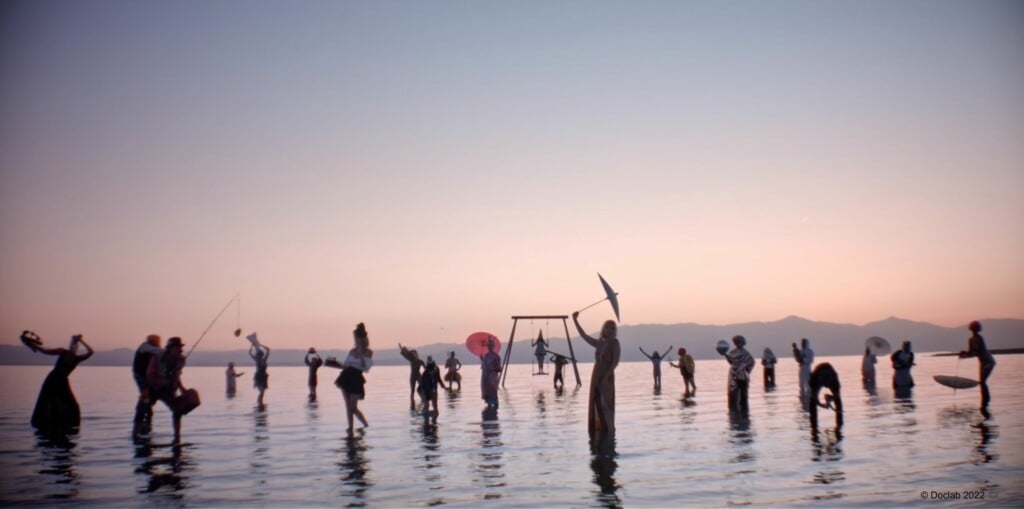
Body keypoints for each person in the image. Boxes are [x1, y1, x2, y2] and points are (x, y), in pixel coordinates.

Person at [21, 331, 94, 435]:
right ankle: (46, 427)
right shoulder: (62, 352)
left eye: (75, 344)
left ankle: (67, 427)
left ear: (77, 346)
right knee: (48, 402)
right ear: (70, 344)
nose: (73, 345)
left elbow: (91, 352)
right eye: (72, 343)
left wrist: (81, 340)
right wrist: (34, 345)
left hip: (63, 381)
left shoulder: (77, 358)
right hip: (53, 379)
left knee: (73, 406)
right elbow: (45, 351)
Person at [572, 311, 621, 439]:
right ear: (603, 329)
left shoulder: (615, 343)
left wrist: (606, 376)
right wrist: (575, 320)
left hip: (607, 377)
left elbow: (615, 362)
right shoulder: (599, 343)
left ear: (615, 331)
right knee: (596, 402)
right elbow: (583, 335)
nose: (609, 330)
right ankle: (597, 430)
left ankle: (608, 431)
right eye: (607, 327)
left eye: (612, 328)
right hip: (596, 375)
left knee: (606, 403)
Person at [148, 336, 194, 443]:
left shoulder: (179, 360)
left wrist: (182, 389)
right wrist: (163, 382)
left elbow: (176, 376)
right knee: (142, 409)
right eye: (178, 347)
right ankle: (139, 434)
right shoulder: (157, 358)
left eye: (180, 348)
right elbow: (150, 376)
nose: (180, 350)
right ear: (170, 348)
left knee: (177, 411)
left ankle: (177, 437)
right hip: (152, 389)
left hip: (169, 390)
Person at [333, 322, 373, 437]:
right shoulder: (352, 351)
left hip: (356, 378)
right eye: (355, 338)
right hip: (346, 376)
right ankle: (350, 428)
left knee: (353, 407)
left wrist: (360, 354)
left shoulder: (368, 352)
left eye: (357, 338)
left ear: (363, 340)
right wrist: (334, 364)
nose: (356, 341)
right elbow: (345, 365)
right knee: (347, 405)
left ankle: (365, 424)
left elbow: (366, 367)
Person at [132, 334, 163, 436]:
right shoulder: (145, 347)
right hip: (140, 376)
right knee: (145, 395)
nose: (159, 343)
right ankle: (144, 417)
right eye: (158, 341)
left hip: (146, 377)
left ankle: (146, 421)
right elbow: (159, 352)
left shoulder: (151, 349)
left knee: (147, 398)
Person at [960, 320, 996, 409]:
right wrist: (963, 353)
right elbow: (971, 352)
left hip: (989, 361)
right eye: (974, 329)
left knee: (982, 382)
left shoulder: (980, 338)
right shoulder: (971, 340)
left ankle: (985, 401)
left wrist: (966, 356)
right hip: (982, 362)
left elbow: (977, 352)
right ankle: (985, 401)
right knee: (982, 382)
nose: (975, 330)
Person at [719, 335, 755, 413]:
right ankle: (733, 409)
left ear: (742, 343)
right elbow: (730, 361)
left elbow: (751, 362)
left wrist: (745, 367)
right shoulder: (732, 352)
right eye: (736, 342)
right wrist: (725, 355)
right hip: (733, 374)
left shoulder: (745, 353)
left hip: (742, 375)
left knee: (743, 394)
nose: (738, 344)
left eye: (739, 342)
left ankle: (744, 410)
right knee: (732, 393)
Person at [399, 343, 425, 410]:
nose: (414, 355)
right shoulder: (411, 360)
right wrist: (401, 348)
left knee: (422, 386)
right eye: (413, 354)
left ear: (417, 355)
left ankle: (423, 399)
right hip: (413, 376)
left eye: (415, 354)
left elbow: (426, 368)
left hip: (418, 375)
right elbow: (405, 355)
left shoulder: (420, 361)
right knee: (412, 390)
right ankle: (412, 404)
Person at [480, 337, 502, 409]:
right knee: (487, 389)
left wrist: (494, 368)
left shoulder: (497, 356)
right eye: (488, 346)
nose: (489, 347)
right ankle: (489, 405)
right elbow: (484, 365)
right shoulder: (486, 356)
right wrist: (482, 359)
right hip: (486, 376)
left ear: (493, 346)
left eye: (491, 346)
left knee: (493, 389)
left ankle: (495, 404)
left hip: (493, 376)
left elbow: (498, 368)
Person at [419, 356, 442, 421]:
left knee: (435, 405)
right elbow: (423, 387)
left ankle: (434, 421)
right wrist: (427, 396)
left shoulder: (436, 370)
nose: (432, 372)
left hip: (433, 389)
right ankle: (425, 420)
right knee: (427, 404)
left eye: (433, 370)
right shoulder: (425, 375)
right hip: (424, 390)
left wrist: (443, 386)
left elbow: (438, 379)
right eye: (430, 371)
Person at [792, 338, 814, 402]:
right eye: (802, 343)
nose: (802, 344)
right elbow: (797, 359)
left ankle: (809, 397)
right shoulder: (800, 351)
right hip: (801, 368)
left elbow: (811, 360)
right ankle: (802, 397)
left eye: (804, 343)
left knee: (808, 383)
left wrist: (803, 360)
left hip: (807, 368)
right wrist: (795, 353)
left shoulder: (810, 351)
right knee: (801, 383)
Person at [249, 343, 271, 408]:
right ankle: (259, 403)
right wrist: (252, 345)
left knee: (263, 392)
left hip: (264, 377)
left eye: (260, 355)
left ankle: (260, 403)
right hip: (258, 377)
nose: (260, 356)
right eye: (259, 355)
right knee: (261, 391)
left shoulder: (264, 360)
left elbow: (268, 350)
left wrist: (260, 345)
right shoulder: (256, 360)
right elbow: (250, 353)